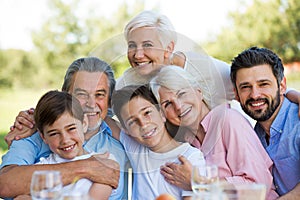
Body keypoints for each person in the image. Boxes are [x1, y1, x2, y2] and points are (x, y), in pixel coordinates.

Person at [0, 57, 128, 200]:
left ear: (109, 100)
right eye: (81, 94)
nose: (91, 104)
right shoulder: (31, 134)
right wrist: (85, 168)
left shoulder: (123, 143)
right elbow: (4, 185)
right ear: (64, 94)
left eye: (99, 94)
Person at [149, 65, 278, 199]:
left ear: (198, 91)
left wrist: (199, 183)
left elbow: (258, 184)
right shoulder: (186, 144)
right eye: (167, 104)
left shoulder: (228, 120)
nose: (178, 106)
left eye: (181, 94)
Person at [116, 10, 234, 109]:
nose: (138, 55)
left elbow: (247, 88)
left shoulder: (205, 67)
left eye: (147, 45)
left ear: (168, 49)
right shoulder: (127, 82)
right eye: (132, 45)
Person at [111, 84, 205, 199]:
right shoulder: (137, 150)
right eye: (132, 122)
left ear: (161, 113)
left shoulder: (191, 158)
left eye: (147, 113)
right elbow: (101, 116)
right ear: (126, 130)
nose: (143, 124)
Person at [230, 46, 300, 199]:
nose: (255, 95)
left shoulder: (298, 123)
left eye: (263, 84)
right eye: (246, 87)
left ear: (281, 86)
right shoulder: (253, 134)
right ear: (236, 94)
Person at [34, 90, 112, 199]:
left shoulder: (104, 163)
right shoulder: (40, 170)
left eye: (71, 129)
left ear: (84, 124)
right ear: (43, 137)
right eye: (54, 133)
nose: (65, 140)